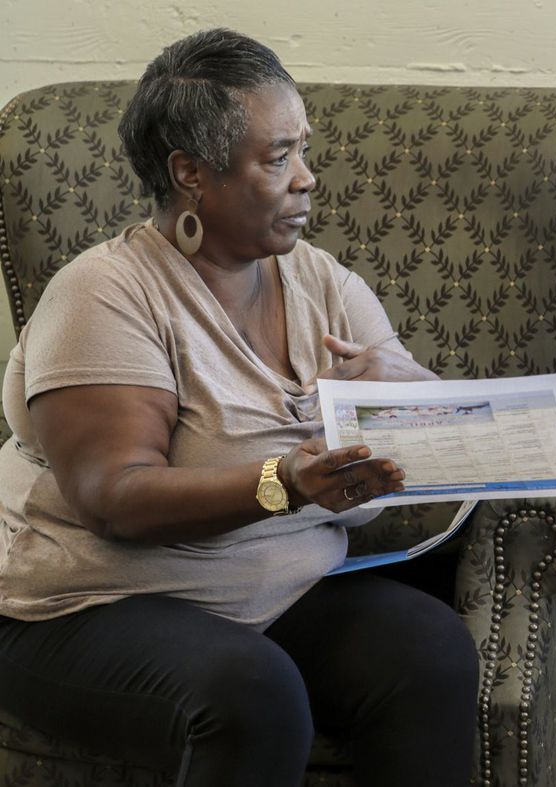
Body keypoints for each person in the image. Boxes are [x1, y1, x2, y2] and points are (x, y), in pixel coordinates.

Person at [0, 29, 477, 787]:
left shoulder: (321, 282)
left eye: (303, 150)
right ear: (191, 173)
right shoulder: (104, 296)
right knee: (255, 696)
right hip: (86, 604)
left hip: (269, 587)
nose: (307, 179)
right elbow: (113, 498)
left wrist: (412, 388)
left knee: (430, 650)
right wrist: (283, 481)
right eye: (278, 157)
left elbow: (427, 443)